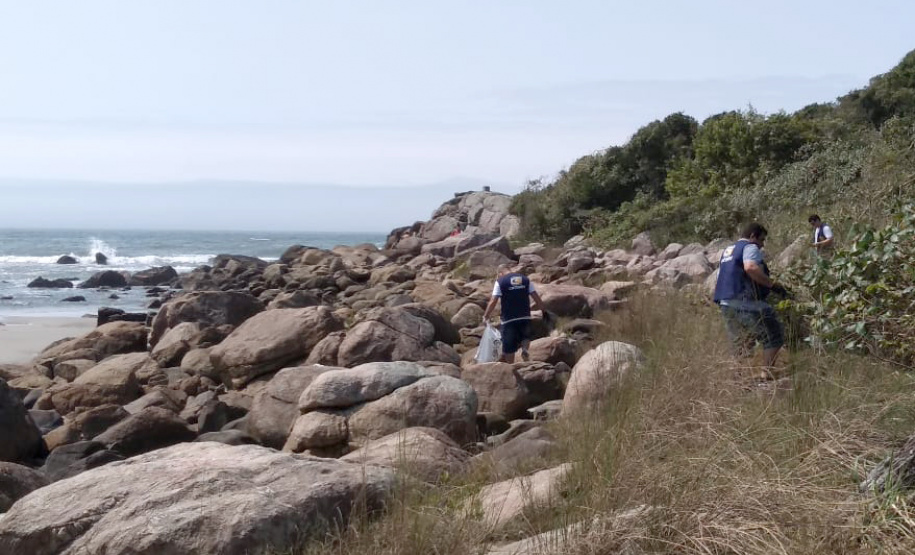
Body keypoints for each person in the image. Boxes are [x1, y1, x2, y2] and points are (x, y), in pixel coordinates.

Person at [713, 223, 789, 371]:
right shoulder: (750, 247)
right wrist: (772, 285)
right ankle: (766, 375)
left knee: (741, 343)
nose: (762, 245)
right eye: (761, 240)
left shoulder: (729, 250)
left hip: (725, 302)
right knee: (774, 336)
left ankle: (737, 378)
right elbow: (750, 267)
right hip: (745, 302)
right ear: (752, 236)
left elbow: (722, 275)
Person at [482, 264, 546, 363]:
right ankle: (524, 349)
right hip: (525, 316)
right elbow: (535, 296)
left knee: (509, 347)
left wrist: (486, 316)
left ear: (500, 273)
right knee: (525, 337)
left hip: (508, 318)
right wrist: (544, 311)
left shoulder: (500, 281)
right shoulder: (525, 279)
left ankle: (511, 366)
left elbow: (493, 300)